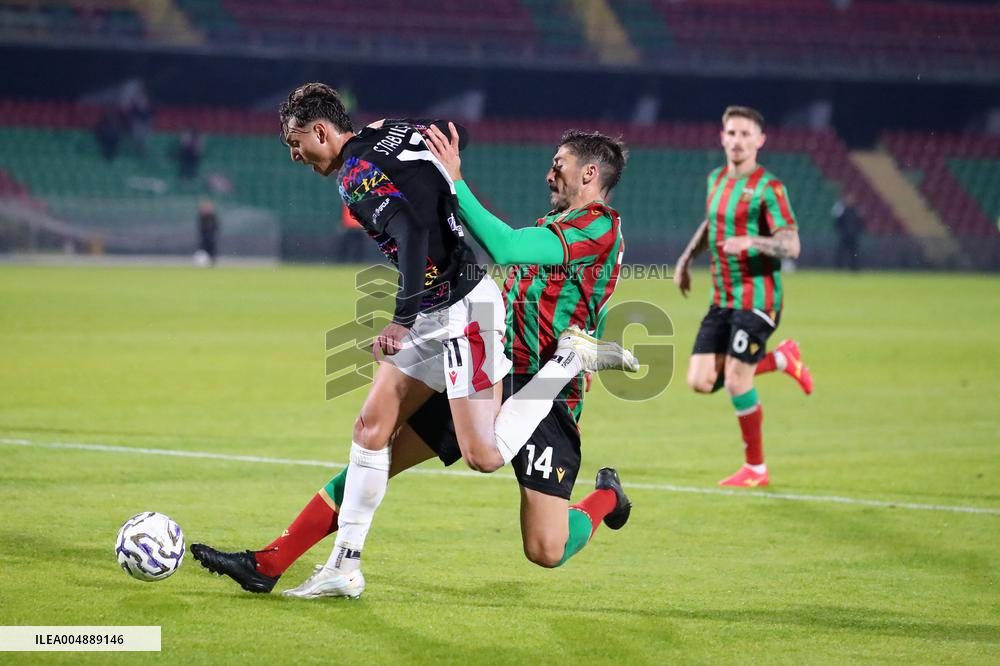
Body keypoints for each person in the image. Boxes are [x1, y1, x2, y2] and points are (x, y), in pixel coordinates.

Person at [191, 84, 635, 597]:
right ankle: (276, 561)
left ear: (590, 173)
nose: (547, 172)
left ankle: (606, 498)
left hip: (545, 388)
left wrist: (454, 180)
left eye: (558, 164)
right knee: (377, 440)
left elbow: (505, 246)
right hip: (487, 354)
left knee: (545, 548)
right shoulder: (557, 222)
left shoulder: (599, 227)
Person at [673, 106, 813, 488]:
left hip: (759, 298)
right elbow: (712, 222)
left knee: (737, 380)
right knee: (700, 381)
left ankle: (756, 468)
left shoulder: (771, 188)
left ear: (760, 141)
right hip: (722, 297)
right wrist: (687, 258)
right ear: (722, 137)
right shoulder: (716, 179)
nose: (737, 140)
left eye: (745, 134)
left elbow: (792, 244)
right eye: (731, 133)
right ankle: (782, 359)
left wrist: (752, 241)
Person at [832, 192, 863, 271]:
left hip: (853, 236)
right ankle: (838, 268)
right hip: (844, 235)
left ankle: (854, 269)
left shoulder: (856, 210)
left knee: (854, 253)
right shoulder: (842, 209)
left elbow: (860, 223)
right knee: (841, 253)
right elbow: (837, 222)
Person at [195, 200, 219, 266]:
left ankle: (212, 261)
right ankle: (203, 261)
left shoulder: (213, 216)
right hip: (204, 236)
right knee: (203, 249)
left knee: (212, 249)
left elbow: (216, 225)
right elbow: (201, 227)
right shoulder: (201, 216)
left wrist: (214, 233)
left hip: (211, 235)